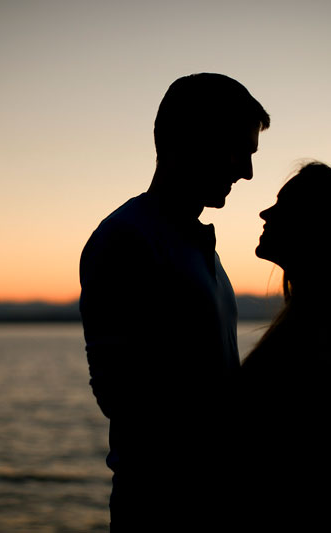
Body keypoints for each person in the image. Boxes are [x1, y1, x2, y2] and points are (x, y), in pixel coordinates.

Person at [79, 73, 270, 531]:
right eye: (240, 151)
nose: (246, 172)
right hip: (162, 514)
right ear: (195, 139)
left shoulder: (197, 246)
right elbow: (121, 395)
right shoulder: (128, 239)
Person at [237, 162, 331, 532]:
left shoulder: (321, 343)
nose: (265, 212)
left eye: (283, 205)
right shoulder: (316, 329)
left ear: (319, 228)